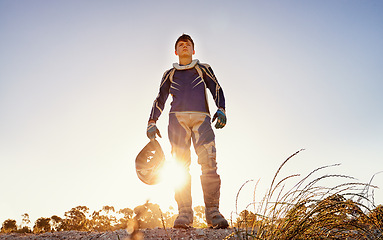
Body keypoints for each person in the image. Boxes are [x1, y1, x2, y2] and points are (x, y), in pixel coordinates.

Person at [146, 34, 229, 229]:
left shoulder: (203, 68)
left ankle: (213, 212)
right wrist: (152, 121)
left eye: (188, 45)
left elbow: (216, 87)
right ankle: (184, 213)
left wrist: (222, 109)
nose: (185, 47)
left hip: (202, 119)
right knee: (180, 166)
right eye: (181, 45)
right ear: (176, 51)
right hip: (177, 120)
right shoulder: (170, 73)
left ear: (193, 50)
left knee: (209, 162)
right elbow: (160, 98)